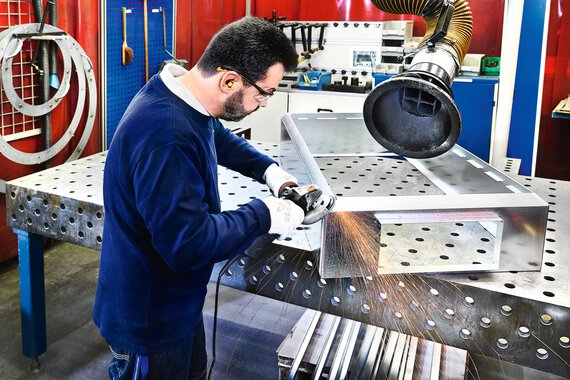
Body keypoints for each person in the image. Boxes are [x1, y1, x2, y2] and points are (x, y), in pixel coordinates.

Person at [93, 16, 305, 379]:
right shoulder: (166, 135)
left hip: (176, 304)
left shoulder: (181, 91)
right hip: (150, 318)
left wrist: (271, 172)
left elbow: (217, 136)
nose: (265, 103)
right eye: (263, 93)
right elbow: (188, 244)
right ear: (229, 81)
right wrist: (266, 214)